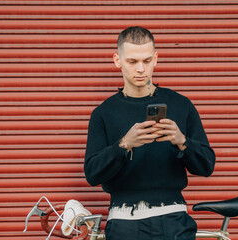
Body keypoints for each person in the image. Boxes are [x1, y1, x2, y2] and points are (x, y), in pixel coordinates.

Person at [84, 26, 216, 240]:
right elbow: (92, 174)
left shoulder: (181, 105)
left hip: (173, 219)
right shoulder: (103, 113)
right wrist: (124, 144)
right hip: (123, 222)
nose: (140, 69)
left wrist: (182, 141)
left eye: (146, 61)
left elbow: (207, 166)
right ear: (117, 60)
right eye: (132, 61)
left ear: (156, 59)